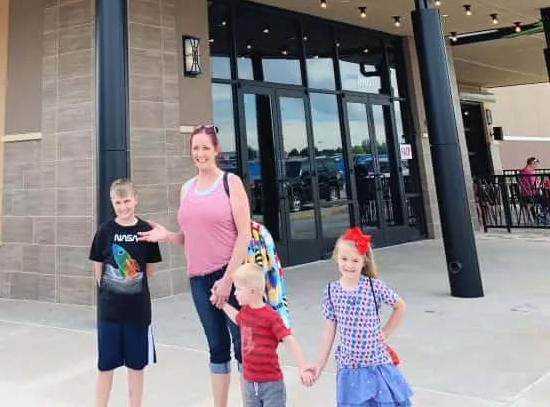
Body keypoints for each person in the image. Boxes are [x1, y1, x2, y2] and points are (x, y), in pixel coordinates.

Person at [139, 123, 252, 407]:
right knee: (217, 348)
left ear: (216, 150)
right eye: (195, 148)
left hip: (231, 276)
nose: (200, 153)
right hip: (199, 280)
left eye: (205, 148)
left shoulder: (230, 183)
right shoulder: (186, 189)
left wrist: (227, 281)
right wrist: (167, 236)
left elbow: (244, 235)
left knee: (243, 347)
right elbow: (190, 238)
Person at [311, 226, 413, 407]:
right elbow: (328, 333)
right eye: (344, 259)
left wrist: (385, 332)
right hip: (349, 367)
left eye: (355, 260)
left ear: (363, 262)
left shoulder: (374, 286)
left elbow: (400, 306)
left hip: (377, 363)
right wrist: (319, 365)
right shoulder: (331, 291)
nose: (349, 265)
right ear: (336, 258)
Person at [89, 178, 161, 407]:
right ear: (112, 203)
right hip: (109, 314)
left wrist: (130, 282)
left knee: (136, 366)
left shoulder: (146, 231)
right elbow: (97, 268)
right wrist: (113, 287)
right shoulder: (105, 231)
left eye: (127, 201)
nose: (123, 207)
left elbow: (149, 270)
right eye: (118, 203)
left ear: (135, 199)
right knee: (105, 366)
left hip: (137, 314)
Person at [220, 262, 314, 406]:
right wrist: (223, 304)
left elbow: (288, 340)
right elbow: (236, 318)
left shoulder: (271, 317)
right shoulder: (245, 313)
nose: (235, 293)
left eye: (238, 289)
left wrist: (302, 367)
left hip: (271, 384)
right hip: (250, 383)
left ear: (252, 291)